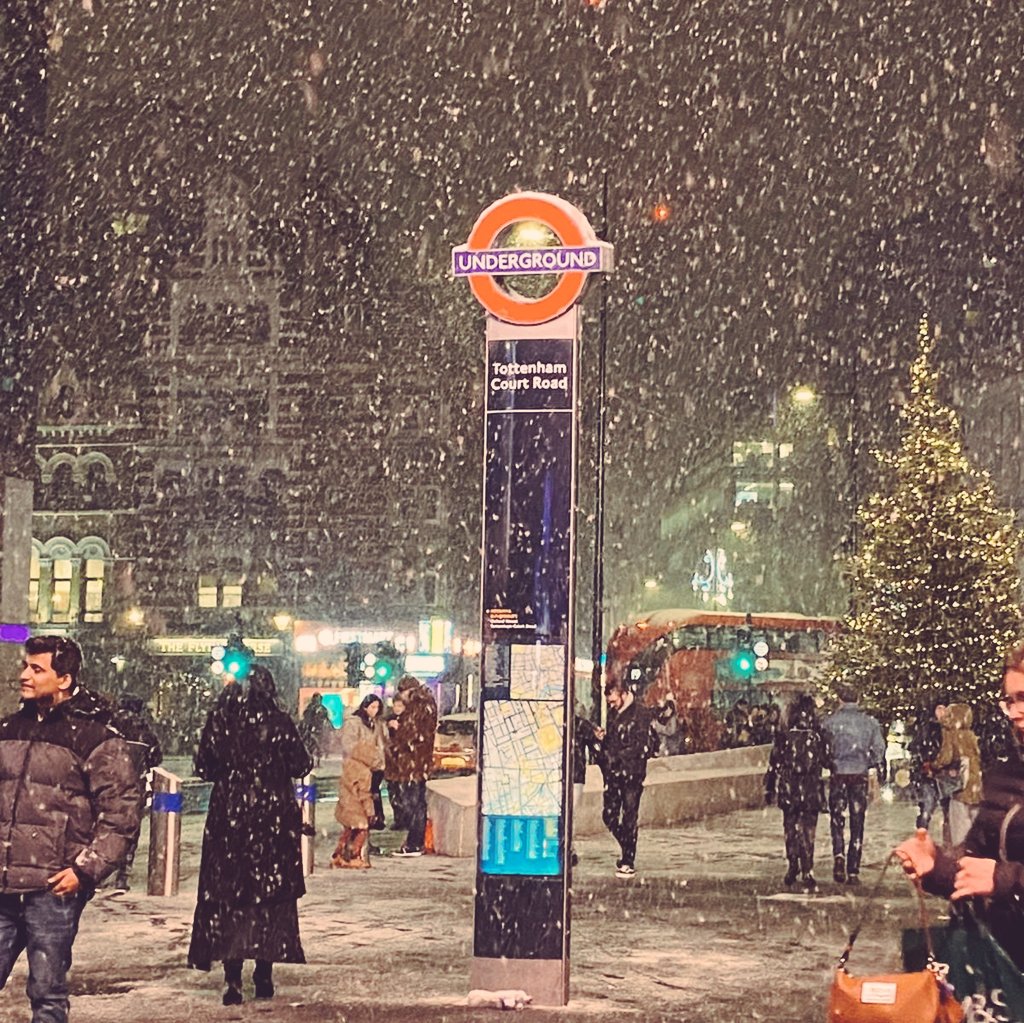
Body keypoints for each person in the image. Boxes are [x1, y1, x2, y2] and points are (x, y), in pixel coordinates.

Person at [0, 635, 141, 1023]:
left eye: (36, 669)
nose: (24, 675)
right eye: (25, 666)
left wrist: (84, 870)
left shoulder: (96, 738)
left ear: (63, 678)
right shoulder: (9, 729)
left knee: (46, 992)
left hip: (53, 887)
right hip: (4, 884)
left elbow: (121, 813)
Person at [187, 665, 313, 1005]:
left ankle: (232, 977)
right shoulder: (280, 722)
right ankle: (264, 972)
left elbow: (204, 768)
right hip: (272, 820)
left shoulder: (221, 722)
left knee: (231, 895)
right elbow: (301, 765)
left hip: (230, 821)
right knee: (269, 896)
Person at [896, 644, 1024, 971]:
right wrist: (936, 865)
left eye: (1022, 697)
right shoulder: (1006, 777)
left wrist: (1006, 879)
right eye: (1009, 700)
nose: (1014, 712)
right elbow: (977, 858)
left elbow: (996, 875)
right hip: (1005, 971)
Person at [764, 694, 831, 891]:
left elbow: (773, 762)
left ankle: (792, 864)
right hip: (810, 788)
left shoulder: (784, 735)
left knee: (790, 828)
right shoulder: (818, 735)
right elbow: (827, 760)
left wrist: (769, 788)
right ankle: (807, 868)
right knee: (808, 830)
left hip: (789, 788)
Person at [823, 683, 886, 886]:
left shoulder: (830, 722)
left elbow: (823, 748)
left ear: (840, 700)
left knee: (837, 817)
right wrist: (867, 762)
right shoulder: (869, 723)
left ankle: (839, 853)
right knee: (857, 821)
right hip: (859, 774)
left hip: (838, 774)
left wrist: (832, 761)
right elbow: (878, 749)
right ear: (858, 699)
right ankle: (853, 868)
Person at [599, 682, 656, 877]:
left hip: (632, 773)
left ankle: (628, 859)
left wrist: (618, 756)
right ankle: (627, 846)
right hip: (615, 773)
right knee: (609, 815)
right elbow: (613, 742)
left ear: (623, 694)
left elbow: (640, 745)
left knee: (629, 814)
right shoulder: (616, 713)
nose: (612, 704)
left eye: (614, 700)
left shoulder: (640, 713)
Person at [109, 693, 163, 891]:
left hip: (107, 786)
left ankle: (99, 872)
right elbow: (156, 757)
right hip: (134, 787)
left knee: (104, 826)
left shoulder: (108, 726)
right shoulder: (144, 731)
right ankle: (122, 875)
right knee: (130, 831)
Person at [386, 675, 437, 857]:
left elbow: (412, 735)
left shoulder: (419, 706)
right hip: (416, 763)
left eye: (403, 693)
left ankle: (415, 843)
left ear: (409, 691)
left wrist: (397, 729)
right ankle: (414, 842)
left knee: (413, 804)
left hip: (414, 763)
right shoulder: (424, 704)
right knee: (414, 803)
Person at [331, 694, 384, 869]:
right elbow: (351, 746)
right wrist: (373, 758)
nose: (374, 711)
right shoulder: (354, 724)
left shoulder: (374, 725)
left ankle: (339, 854)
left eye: (377, 708)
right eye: (372, 707)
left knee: (350, 825)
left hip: (366, 770)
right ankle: (352, 855)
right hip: (359, 772)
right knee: (359, 825)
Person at [932, 702, 983, 846]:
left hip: (960, 785)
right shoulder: (971, 734)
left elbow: (946, 757)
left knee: (959, 827)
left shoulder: (951, 733)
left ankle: (961, 856)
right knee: (973, 821)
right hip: (975, 784)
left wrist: (934, 766)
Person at [908, 700, 950, 843]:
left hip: (941, 775)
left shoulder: (945, 729)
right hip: (932, 774)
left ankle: (944, 840)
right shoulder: (930, 729)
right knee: (928, 807)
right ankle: (922, 838)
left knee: (943, 808)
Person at [571, 705, 603, 866]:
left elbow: (597, 743)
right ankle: (567, 846)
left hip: (574, 776)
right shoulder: (580, 725)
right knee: (569, 814)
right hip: (574, 774)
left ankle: (568, 846)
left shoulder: (580, 725)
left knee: (570, 813)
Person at [298, 692, 333, 767]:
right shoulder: (309, 708)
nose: (317, 701)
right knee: (311, 746)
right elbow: (306, 718)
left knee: (319, 745)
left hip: (320, 730)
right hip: (311, 730)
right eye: (316, 699)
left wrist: (330, 726)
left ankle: (318, 762)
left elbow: (326, 718)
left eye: (319, 699)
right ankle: (309, 761)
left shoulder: (323, 709)